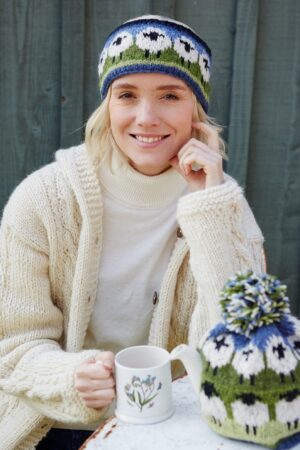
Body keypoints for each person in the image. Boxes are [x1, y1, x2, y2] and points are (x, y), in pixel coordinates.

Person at [0, 15, 265, 450]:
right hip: (56, 424)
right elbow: (13, 347)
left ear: (195, 110)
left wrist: (207, 211)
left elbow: (241, 349)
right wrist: (71, 377)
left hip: (180, 425)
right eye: (127, 95)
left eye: (169, 95)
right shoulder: (42, 200)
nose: (146, 117)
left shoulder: (223, 206)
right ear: (108, 106)